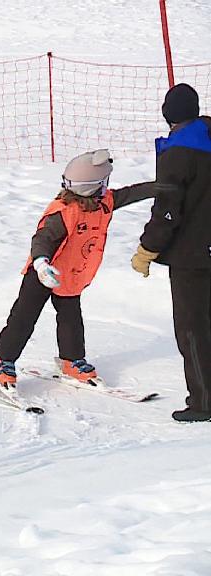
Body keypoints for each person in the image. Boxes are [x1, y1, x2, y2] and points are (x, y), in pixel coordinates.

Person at [0, 149, 156, 388]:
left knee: (71, 318)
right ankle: (4, 361)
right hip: (43, 273)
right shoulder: (64, 212)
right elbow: (42, 240)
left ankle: (71, 360)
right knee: (24, 317)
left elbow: (130, 194)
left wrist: (160, 186)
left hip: (72, 275)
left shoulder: (104, 203)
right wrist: (41, 264)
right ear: (96, 186)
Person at [130, 83, 211, 422]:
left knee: (193, 329)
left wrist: (147, 250)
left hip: (192, 256)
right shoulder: (205, 134)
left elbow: (167, 210)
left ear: (168, 115)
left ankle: (203, 402)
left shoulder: (178, 153)